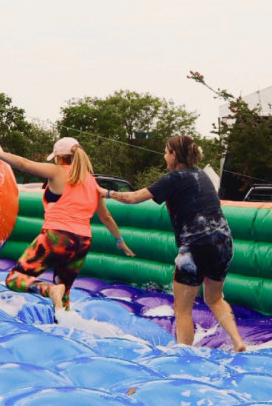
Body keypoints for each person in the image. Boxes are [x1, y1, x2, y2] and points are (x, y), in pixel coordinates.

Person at [104, 135, 246, 352]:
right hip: (224, 242)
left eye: (165, 151)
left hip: (196, 245)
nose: (163, 155)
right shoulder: (202, 175)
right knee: (214, 298)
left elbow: (133, 198)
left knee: (182, 308)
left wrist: (106, 192)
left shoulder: (173, 178)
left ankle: (184, 354)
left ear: (174, 155)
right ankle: (238, 342)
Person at [0, 135, 134, 311]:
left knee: (15, 278)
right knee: (65, 293)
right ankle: (63, 323)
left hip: (56, 237)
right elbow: (105, 216)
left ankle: (49, 290)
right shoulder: (91, 181)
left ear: (59, 157)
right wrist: (120, 241)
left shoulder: (57, 171)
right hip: (82, 242)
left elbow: (24, 164)